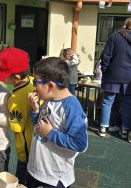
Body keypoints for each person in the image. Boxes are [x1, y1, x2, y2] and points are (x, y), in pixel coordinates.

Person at [27, 57, 88, 188]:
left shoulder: (71, 107)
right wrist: (35, 109)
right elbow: (38, 126)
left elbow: (80, 144)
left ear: (49, 85)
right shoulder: (49, 99)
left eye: (35, 82)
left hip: (54, 178)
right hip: (36, 170)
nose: (33, 86)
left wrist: (50, 133)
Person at [0, 47, 34, 185]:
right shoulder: (31, 82)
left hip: (26, 152)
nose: (0, 79)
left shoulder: (16, 97)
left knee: (22, 183)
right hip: (35, 146)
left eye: (3, 75)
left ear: (17, 77)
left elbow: (15, 126)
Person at [98, 17, 131, 138]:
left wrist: (105, 70)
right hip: (128, 76)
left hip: (112, 74)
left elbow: (105, 56)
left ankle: (103, 128)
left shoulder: (114, 36)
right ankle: (125, 130)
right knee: (126, 103)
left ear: (124, 25)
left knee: (107, 102)